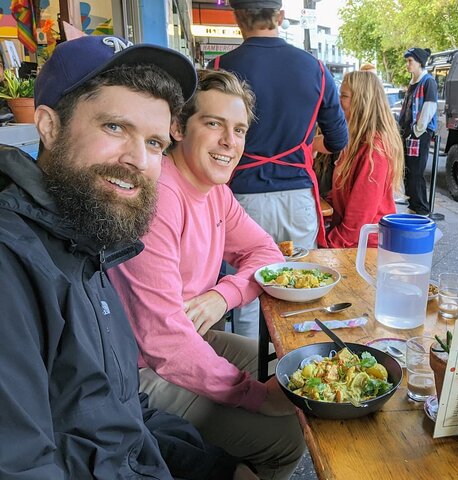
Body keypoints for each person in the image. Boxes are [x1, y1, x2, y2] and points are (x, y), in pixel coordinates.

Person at [0, 35, 246, 479]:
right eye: (115, 127)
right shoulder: (13, 262)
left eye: (154, 143)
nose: (138, 159)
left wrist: (219, 470)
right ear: (49, 126)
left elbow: (126, 413)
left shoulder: (88, 238)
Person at [108, 69, 305, 480]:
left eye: (239, 129)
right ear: (179, 127)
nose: (229, 142)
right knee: (286, 433)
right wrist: (255, 397)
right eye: (213, 124)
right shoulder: (159, 196)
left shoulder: (216, 192)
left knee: (294, 375)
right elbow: (165, 342)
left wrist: (224, 295)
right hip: (140, 370)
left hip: (187, 340)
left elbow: (267, 254)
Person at [211, 0, 348, 249]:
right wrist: (305, 145)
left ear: (237, 19)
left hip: (242, 197)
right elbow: (338, 140)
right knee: (301, 281)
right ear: (281, 17)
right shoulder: (316, 69)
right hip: (298, 198)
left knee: (246, 282)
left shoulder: (220, 68)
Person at [325, 71, 404, 248]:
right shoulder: (356, 139)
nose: (338, 101)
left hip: (365, 248)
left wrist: (328, 244)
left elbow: (359, 218)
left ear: (362, 100)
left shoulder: (375, 147)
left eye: (344, 96)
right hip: (354, 243)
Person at [398, 47, 437, 216]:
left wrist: (417, 130)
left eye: (410, 61)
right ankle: (413, 204)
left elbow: (430, 107)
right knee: (408, 170)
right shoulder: (414, 82)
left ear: (419, 62)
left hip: (418, 134)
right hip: (410, 133)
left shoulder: (428, 81)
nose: (407, 64)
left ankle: (421, 208)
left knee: (416, 171)